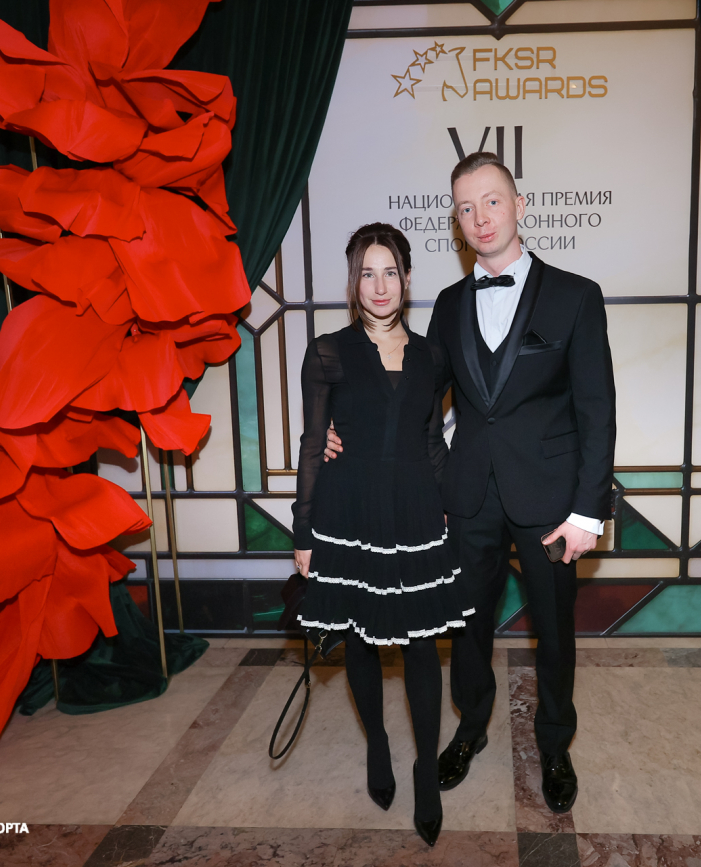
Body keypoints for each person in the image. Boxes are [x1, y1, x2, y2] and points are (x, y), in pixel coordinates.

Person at [327, 153, 616, 813]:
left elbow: (598, 410)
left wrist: (587, 512)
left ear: (519, 206)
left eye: (491, 201)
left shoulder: (576, 295)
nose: (480, 217)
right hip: (465, 499)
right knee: (465, 626)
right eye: (465, 208)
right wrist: (342, 432)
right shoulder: (451, 304)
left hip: (551, 502)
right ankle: (471, 726)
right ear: (457, 223)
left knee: (554, 630)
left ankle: (555, 744)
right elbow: (418, 400)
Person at [291, 223, 471, 847]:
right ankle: (377, 745)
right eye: (366, 273)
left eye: (390, 271)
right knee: (359, 641)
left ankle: (426, 773)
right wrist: (303, 530)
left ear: (407, 277)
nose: (379, 285)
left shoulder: (431, 357)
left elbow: (431, 441)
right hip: (348, 511)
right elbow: (313, 444)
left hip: (415, 510)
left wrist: (451, 509)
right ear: (352, 280)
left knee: (422, 645)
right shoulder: (327, 352)